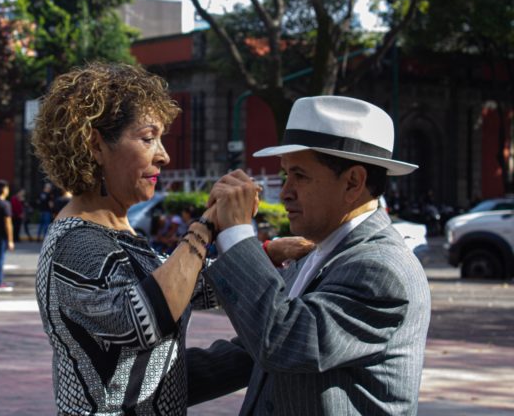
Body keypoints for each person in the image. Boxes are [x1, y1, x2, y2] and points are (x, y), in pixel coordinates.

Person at [30, 62, 312, 415]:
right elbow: (144, 318)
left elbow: (191, 286)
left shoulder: (115, 232)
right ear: (96, 145)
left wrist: (267, 254)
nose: (164, 155)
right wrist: (208, 225)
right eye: (148, 138)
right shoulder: (77, 242)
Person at [204, 95, 431, 415]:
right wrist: (140, 388)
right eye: (285, 175)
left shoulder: (381, 269)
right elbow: (249, 355)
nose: (284, 192)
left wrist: (237, 234)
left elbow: (281, 340)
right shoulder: (317, 252)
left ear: (353, 182)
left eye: (300, 175)